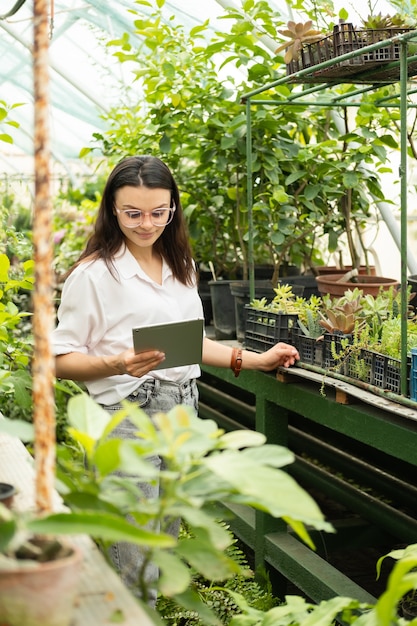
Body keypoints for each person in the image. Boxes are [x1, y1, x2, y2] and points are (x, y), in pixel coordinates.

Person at [52, 155, 299, 603]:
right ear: (111, 210)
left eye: (158, 212)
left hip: (181, 412)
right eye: (132, 213)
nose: (146, 223)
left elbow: (189, 343)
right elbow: (59, 359)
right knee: (135, 556)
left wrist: (255, 359)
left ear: (173, 209)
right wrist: (117, 364)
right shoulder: (93, 276)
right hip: (126, 415)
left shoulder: (180, 265)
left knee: (161, 542)